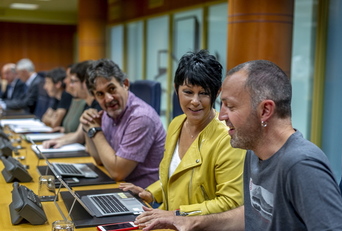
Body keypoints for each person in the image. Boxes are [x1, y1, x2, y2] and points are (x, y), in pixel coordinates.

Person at [135, 60, 342, 231]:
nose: (223, 115)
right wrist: (189, 220)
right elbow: (250, 214)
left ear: (265, 111)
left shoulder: (301, 165)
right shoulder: (253, 153)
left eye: (230, 106)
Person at [119, 50, 246, 217]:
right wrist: (150, 194)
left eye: (204, 93)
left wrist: (176, 215)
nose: (195, 101)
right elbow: (176, 177)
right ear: (176, 89)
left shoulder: (227, 137)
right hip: (167, 220)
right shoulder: (176, 124)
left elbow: (231, 203)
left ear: (216, 93)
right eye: (188, 92)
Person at [79, 58, 166, 188]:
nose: (108, 98)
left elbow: (117, 172)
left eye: (112, 89)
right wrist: (88, 126)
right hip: (119, 186)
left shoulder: (141, 117)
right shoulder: (111, 112)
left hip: (145, 197)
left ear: (125, 84)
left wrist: (96, 131)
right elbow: (99, 159)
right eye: (100, 94)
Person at [42, 60, 101, 145]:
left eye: (74, 81)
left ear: (85, 83)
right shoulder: (88, 105)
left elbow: (80, 138)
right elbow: (78, 135)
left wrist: (60, 141)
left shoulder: (97, 106)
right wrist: (57, 140)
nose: (70, 85)